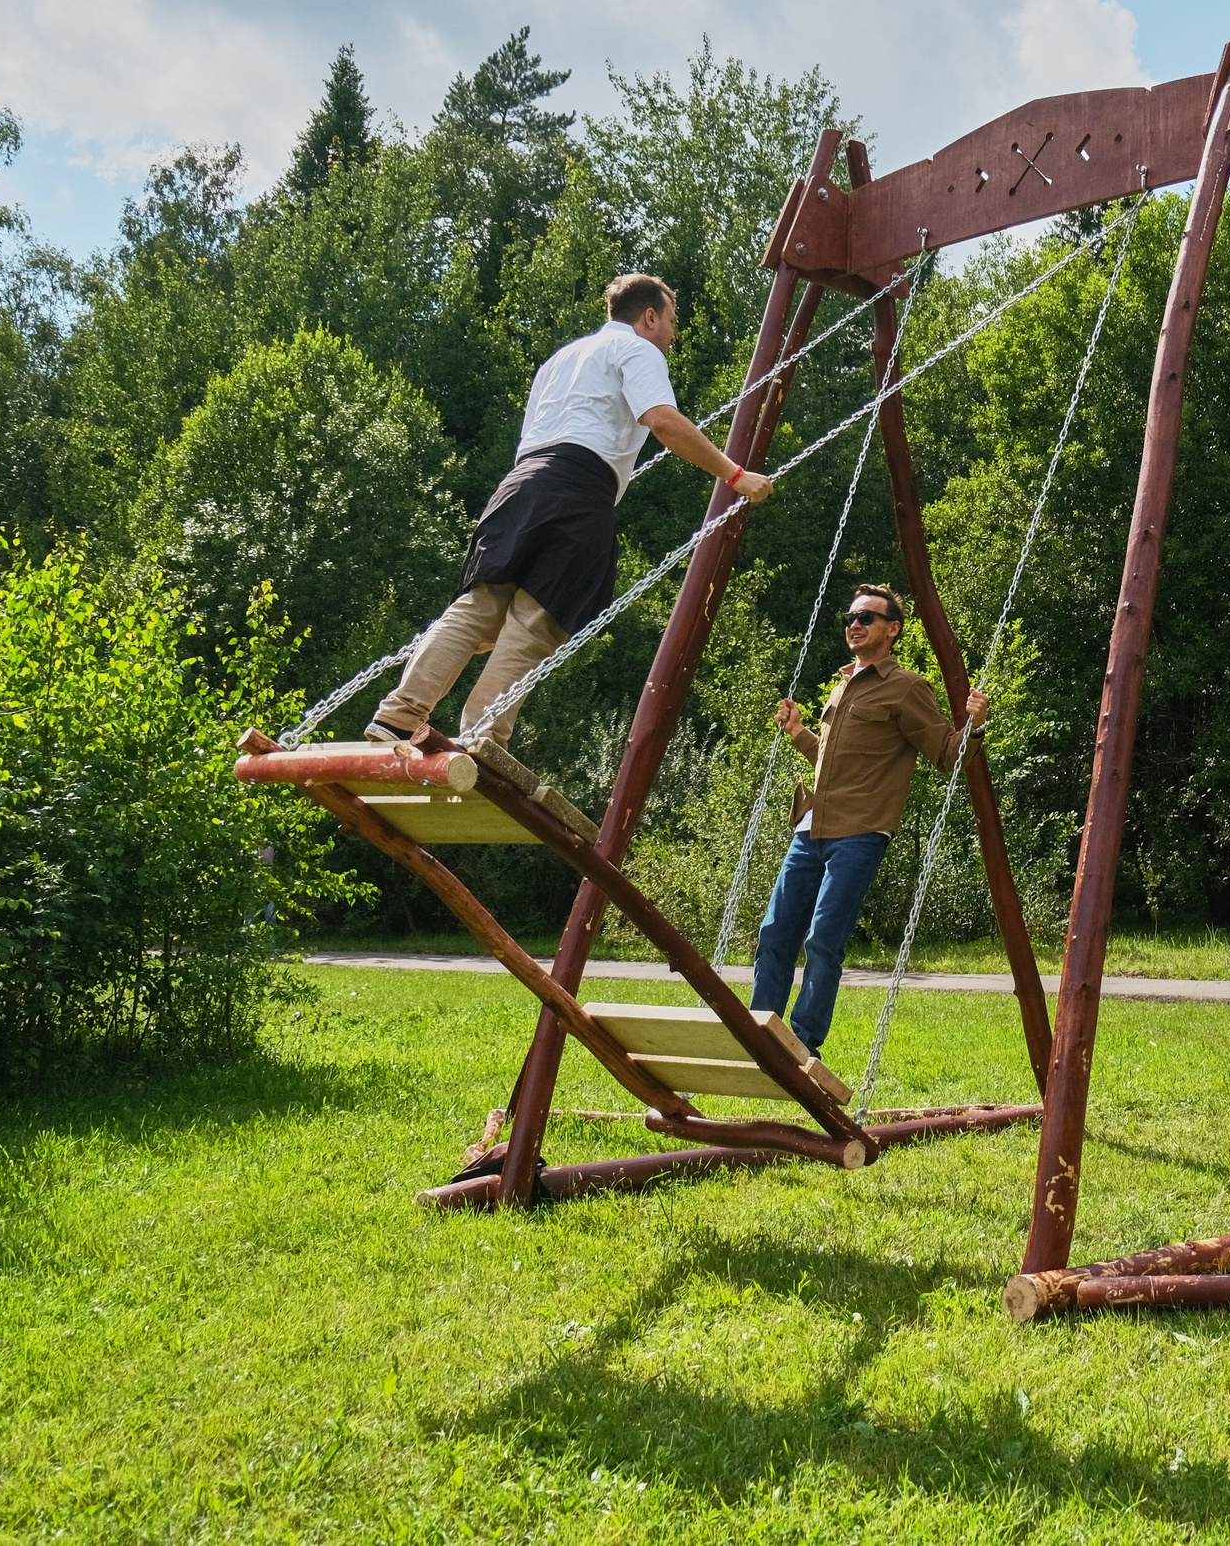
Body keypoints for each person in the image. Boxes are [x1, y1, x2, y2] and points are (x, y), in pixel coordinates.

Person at [370, 274, 774, 747]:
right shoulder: (640, 350)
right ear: (649, 317)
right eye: (671, 320)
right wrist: (735, 475)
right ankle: (483, 739)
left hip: (521, 483)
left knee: (479, 606)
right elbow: (662, 420)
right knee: (535, 621)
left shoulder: (560, 358)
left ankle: (398, 714)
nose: (672, 333)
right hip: (581, 490)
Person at [748, 585, 988, 1055]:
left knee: (823, 941)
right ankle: (759, 1034)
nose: (854, 624)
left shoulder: (906, 687)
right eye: (850, 617)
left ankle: (801, 1043)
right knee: (775, 935)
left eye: (866, 618)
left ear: (892, 629)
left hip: (859, 834)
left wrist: (974, 725)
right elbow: (830, 762)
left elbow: (944, 753)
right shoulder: (841, 685)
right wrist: (797, 732)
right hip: (810, 828)